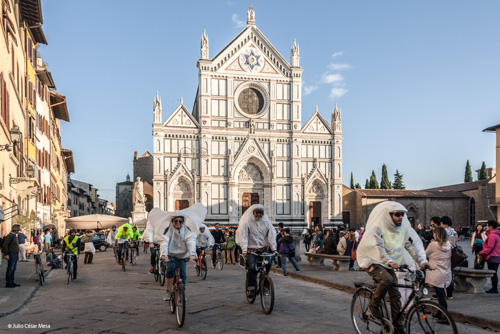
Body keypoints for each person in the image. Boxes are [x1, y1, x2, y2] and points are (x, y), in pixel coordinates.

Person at [357, 201, 428, 334]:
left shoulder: (403, 230)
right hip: (371, 260)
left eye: (402, 214)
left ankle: (398, 326)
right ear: (389, 216)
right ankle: (373, 307)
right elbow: (377, 248)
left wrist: (423, 261)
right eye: (397, 214)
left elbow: (413, 245)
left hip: (387, 263)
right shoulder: (377, 229)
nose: (400, 217)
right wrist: (389, 261)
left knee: (396, 296)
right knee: (387, 280)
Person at [160, 205, 206, 301]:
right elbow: (164, 241)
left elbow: (190, 241)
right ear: (172, 221)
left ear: (183, 221)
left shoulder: (187, 229)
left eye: (180, 221)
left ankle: (182, 292)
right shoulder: (167, 229)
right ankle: (168, 291)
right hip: (170, 254)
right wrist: (164, 254)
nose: (178, 223)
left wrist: (192, 254)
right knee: (170, 269)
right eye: (175, 221)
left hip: (182, 255)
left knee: (183, 274)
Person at [236, 204, 277, 297]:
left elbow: (271, 236)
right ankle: (251, 288)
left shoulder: (267, 223)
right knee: (252, 268)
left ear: (263, 214)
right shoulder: (247, 223)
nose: (258, 214)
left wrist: (274, 249)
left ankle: (265, 286)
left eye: (260, 213)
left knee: (268, 264)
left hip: (262, 249)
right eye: (257, 212)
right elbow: (244, 237)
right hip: (251, 250)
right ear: (253, 213)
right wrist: (244, 250)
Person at [426, 226, 452, 313]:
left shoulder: (433, 245)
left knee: (441, 297)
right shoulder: (449, 244)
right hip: (446, 273)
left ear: (436, 235)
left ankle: (444, 316)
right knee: (441, 295)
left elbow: (425, 255)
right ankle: (441, 314)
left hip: (436, 273)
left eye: (434, 233)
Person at [480, 220, 500, 293]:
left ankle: (494, 289)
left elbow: (489, 247)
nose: (486, 227)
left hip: (493, 256)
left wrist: (482, 252)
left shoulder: (492, 235)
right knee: (494, 273)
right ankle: (494, 288)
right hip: (496, 256)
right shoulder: (495, 234)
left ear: (491, 227)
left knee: (493, 273)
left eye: (487, 225)